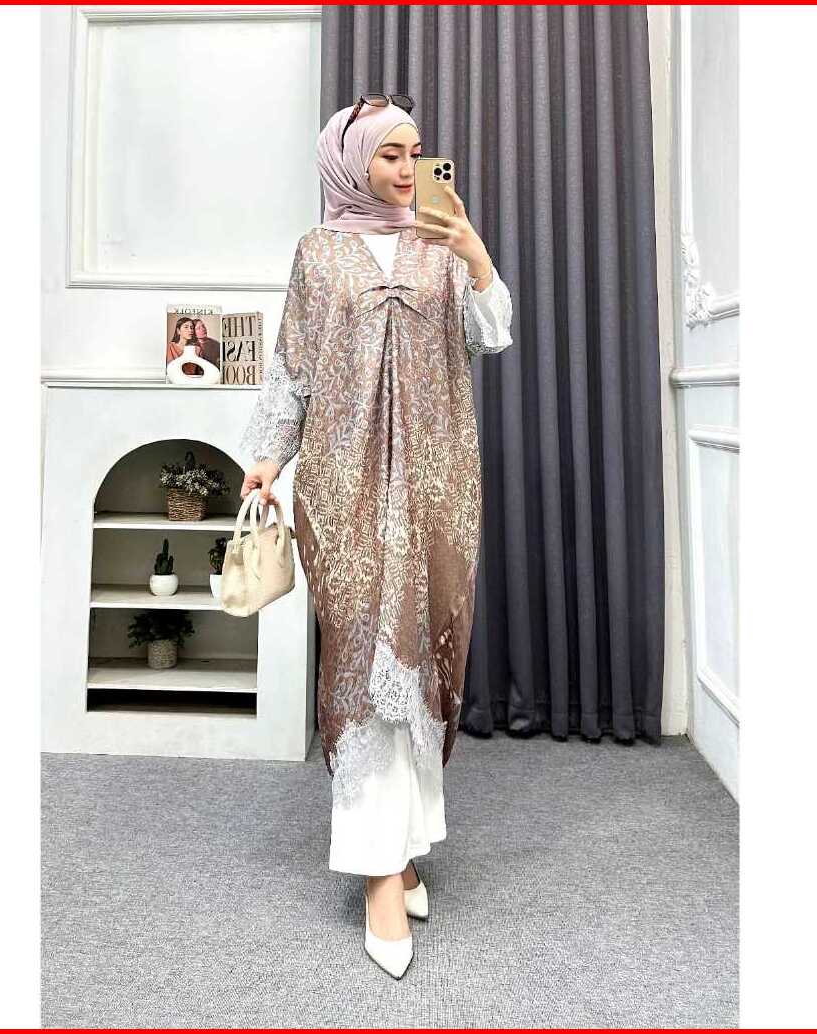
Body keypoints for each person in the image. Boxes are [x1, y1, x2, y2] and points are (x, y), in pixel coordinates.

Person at [238, 96, 514, 979]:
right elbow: (293, 365)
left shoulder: (441, 242)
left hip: (437, 480)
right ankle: (379, 878)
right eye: (388, 154)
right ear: (351, 160)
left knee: (425, 659)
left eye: (415, 153)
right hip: (345, 481)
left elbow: (492, 336)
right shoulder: (318, 254)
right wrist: (267, 457)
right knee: (364, 663)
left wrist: (472, 252)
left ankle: (405, 846)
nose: (404, 169)